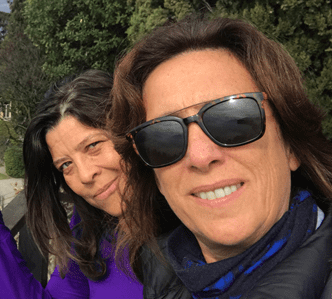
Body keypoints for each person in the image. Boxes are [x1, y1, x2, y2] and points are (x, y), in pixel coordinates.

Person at [109, 16, 332, 298]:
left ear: (291, 145)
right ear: (156, 179)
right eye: (163, 137)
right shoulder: (161, 279)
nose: (201, 156)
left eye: (234, 118)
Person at [0, 70, 143, 299]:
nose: (85, 175)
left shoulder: (190, 225)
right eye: (65, 165)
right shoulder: (90, 229)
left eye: (93, 145)